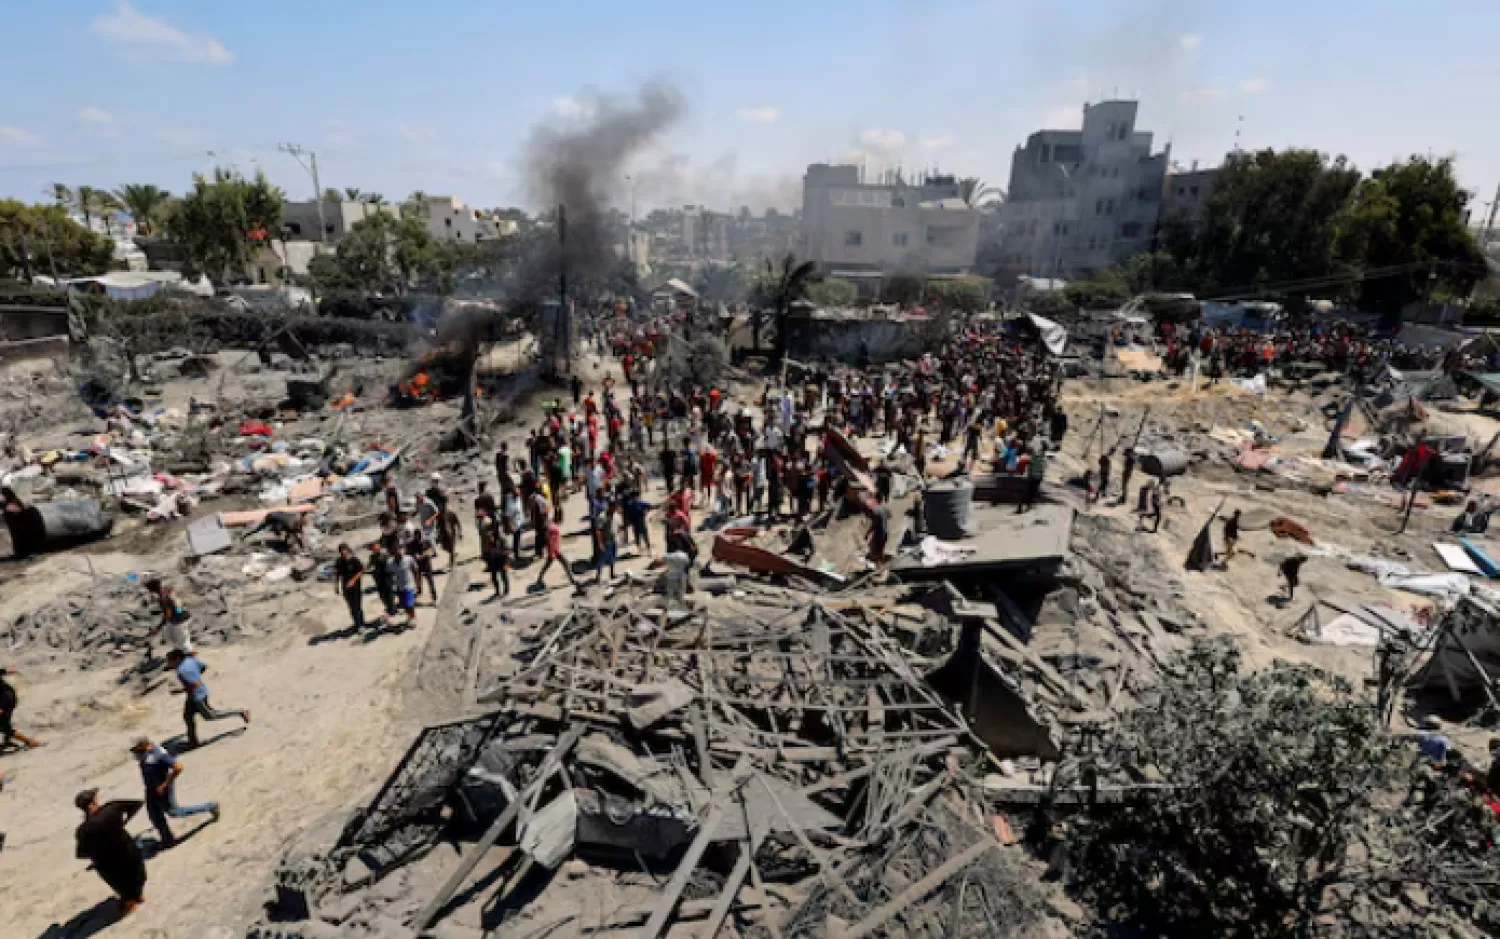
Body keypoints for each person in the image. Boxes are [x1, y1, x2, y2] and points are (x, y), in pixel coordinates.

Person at [132, 736, 217, 847]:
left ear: (143, 745)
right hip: (150, 789)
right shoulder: (144, 753)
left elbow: (178, 767)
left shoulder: (159, 754)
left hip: (163, 790)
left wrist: (164, 785)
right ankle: (167, 839)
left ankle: (210, 806)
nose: (134, 752)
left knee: (174, 812)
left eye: (135, 749)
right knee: (154, 814)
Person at [74, 789, 147, 914]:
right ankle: (139, 896)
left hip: (108, 864)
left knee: (120, 883)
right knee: (137, 874)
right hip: (128, 852)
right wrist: (123, 822)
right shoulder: (112, 808)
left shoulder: (83, 830)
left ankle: (130, 903)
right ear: (93, 802)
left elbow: (81, 853)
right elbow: (137, 804)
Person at [167, 649, 249, 749]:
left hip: (198, 696)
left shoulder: (182, 671)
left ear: (178, 658)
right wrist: (195, 675)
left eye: (170, 661)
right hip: (195, 695)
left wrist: (179, 691)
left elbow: (195, 684)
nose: (169, 663)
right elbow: (203, 667)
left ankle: (240, 712)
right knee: (187, 716)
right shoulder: (190, 660)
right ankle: (193, 742)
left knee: (210, 715)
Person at [143, 578, 191, 655]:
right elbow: (178, 602)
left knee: (183, 642)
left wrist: (158, 628)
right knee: (169, 635)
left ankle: (191, 660)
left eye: (149, 590)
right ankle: (178, 652)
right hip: (179, 617)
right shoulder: (167, 590)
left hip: (178, 620)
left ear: (152, 590)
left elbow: (168, 614)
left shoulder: (163, 599)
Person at [0, 666, 41, 750]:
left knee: (4, 726)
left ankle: (30, 742)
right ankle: (8, 740)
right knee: (4, 725)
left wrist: (1, 707)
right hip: (7, 698)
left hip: (6, 699)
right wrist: (8, 671)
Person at [534, 517, 580, 591]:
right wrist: (552, 553)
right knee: (563, 564)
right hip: (554, 552)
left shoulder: (551, 529)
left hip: (555, 551)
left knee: (563, 564)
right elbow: (551, 543)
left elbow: (553, 541)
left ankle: (539, 579)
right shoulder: (550, 531)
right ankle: (572, 579)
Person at [334, 543, 365, 632]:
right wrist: (336, 585)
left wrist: (353, 580)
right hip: (346, 587)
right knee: (351, 607)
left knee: (358, 606)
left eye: (345, 550)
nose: (344, 552)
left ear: (348, 550)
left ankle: (361, 625)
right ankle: (357, 624)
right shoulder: (339, 562)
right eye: (342, 551)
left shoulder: (354, 560)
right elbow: (337, 574)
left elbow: (361, 571)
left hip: (356, 587)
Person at [367, 542, 396, 620]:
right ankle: (389, 607)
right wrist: (366, 569)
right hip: (378, 578)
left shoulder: (385, 554)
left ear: (379, 547)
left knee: (389, 593)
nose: (374, 549)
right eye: (373, 548)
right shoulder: (372, 557)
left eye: (375, 547)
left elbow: (392, 562)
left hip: (387, 576)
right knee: (382, 595)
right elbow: (370, 565)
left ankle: (392, 609)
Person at [393, 544, 419, 624]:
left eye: (401, 551)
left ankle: (413, 618)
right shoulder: (391, 562)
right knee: (404, 604)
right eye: (398, 552)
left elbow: (416, 569)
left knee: (409, 604)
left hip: (409, 585)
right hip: (400, 587)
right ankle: (409, 617)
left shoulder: (409, 559)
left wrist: (417, 583)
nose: (400, 553)